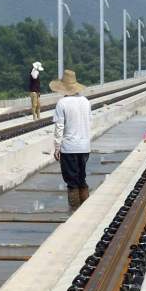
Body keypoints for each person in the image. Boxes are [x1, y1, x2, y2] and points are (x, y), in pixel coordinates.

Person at [52, 68, 93, 207]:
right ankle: (85, 207)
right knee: (82, 178)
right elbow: (88, 122)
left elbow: (59, 128)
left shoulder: (62, 103)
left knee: (72, 182)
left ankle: (74, 209)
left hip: (69, 147)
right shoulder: (86, 101)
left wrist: (57, 147)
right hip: (84, 146)